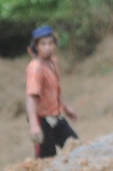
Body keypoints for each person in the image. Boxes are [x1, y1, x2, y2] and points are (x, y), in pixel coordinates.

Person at [25, 25, 79, 159]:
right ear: (36, 46)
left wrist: (66, 108)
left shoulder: (53, 62)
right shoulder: (35, 69)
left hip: (57, 116)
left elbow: (53, 91)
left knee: (76, 148)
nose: (47, 47)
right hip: (42, 120)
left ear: (55, 44)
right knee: (46, 160)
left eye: (50, 43)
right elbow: (31, 98)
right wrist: (33, 124)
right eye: (43, 44)